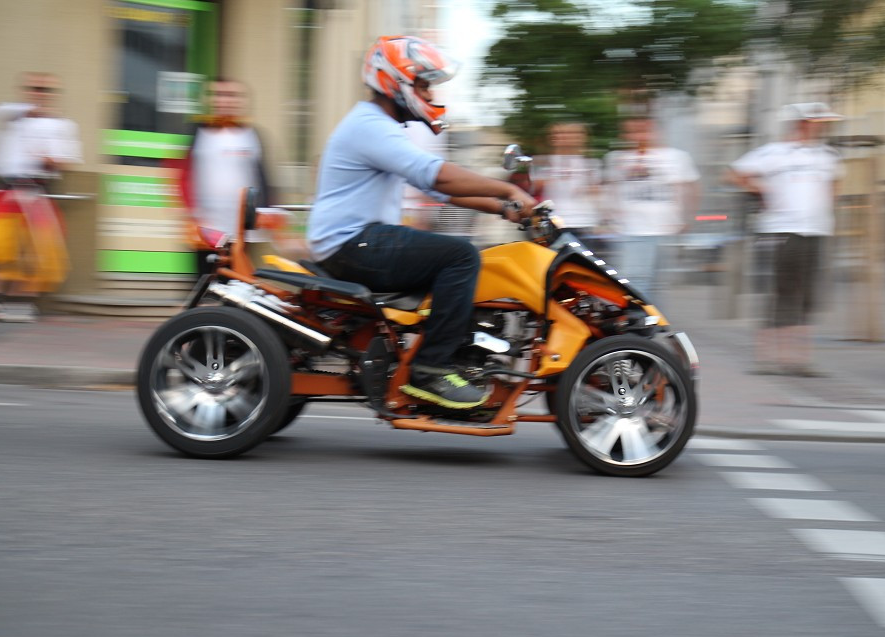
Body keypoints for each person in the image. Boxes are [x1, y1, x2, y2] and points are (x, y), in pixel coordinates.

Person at [308, 35, 536, 410]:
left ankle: (454, 354)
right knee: (460, 257)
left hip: (362, 239)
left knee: (462, 259)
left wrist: (504, 208)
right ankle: (431, 369)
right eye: (423, 84)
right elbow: (436, 176)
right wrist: (508, 189)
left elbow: (441, 189)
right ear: (395, 80)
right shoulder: (370, 125)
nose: (429, 94)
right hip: (352, 242)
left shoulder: (380, 126)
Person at [727, 102, 844, 376]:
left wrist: (827, 205)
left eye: (823, 124)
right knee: (781, 293)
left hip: (816, 231)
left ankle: (800, 361)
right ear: (802, 124)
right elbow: (734, 173)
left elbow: (836, 184)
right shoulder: (774, 152)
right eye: (816, 123)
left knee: (808, 296)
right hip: (782, 230)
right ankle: (767, 358)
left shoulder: (828, 155)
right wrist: (761, 190)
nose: (821, 127)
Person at [0, 72, 82, 322]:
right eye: (35, 88)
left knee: (32, 252)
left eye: (45, 90)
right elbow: (4, 112)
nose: (39, 94)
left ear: (53, 95)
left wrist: (50, 160)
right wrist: (30, 111)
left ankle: (18, 304)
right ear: (25, 90)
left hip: (37, 193)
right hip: (4, 191)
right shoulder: (9, 114)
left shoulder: (62, 126)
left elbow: (67, 161)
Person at [178, 78, 274, 273]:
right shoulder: (196, 133)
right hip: (207, 231)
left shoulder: (253, 135)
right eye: (218, 95)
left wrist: (268, 213)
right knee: (205, 285)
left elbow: (264, 178)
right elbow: (182, 174)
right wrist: (188, 214)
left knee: (240, 285)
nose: (224, 101)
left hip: (242, 231)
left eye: (231, 95)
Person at [603, 116, 700, 304]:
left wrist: (687, 217)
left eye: (644, 130)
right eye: (634, 131)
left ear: (656, 131)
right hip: (631, 230)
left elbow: (690, 187)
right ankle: (641, 326)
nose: (640, 135)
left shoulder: (676, 157)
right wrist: (610, 216)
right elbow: (610, 189)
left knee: (658, 283)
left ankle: (653, 325)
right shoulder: (618, 158)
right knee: (635, 280)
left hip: (666, 229)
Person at [534, 122, 603, 247]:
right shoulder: (543, 162)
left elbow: (596, 194)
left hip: (583, 224)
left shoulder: (591, 164)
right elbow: (534, 188)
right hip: (554, 224)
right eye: (559, 134)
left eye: (572, 134)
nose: (566, 137)